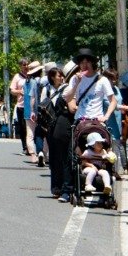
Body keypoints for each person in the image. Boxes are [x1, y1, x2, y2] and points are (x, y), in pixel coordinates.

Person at [40, 66, 73, 201]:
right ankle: (56, 188)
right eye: (59, 75)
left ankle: (67, 187)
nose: (61, 77)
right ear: (52, 77)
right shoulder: (46, 89)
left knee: (65, 156)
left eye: (62, 75)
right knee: (54, 158)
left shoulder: (67, 89)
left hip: (63, 124)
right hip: (50, 126)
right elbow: (42, 106)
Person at [22, 60, 45, 166]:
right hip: (39, 111)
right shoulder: (39, 82)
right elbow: (33, 98)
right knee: (42, 133)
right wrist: (33, 110)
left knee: (30, 134)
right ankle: (43, 153)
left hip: (27, 110)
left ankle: (33, 155)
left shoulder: (26, 82)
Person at [10, 59, 28, 155]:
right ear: (20, 66)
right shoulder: (17, 77)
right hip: (21, 105)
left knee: (31, 127)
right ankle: (25, 147)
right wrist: (19, 91)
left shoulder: (32, 75)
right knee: (23, 127)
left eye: (27, 64)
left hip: (32, 105)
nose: (26, 66)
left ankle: (32, 146)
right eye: (24, 65)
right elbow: (12, 90)